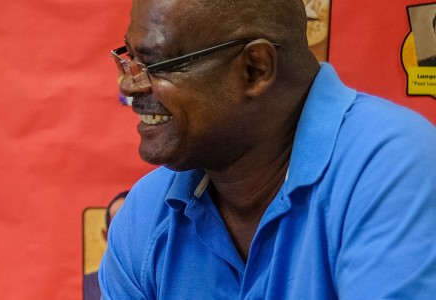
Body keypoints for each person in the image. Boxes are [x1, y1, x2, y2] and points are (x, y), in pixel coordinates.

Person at [100, 0, 436, 298]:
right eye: (130, 59)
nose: (130, 84)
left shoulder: (390, 165)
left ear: (255, 69)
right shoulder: (146, 213)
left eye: (155, 63)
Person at [82, 191, 126, 300]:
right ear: (106, 236)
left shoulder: (165, 280)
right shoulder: (88, 285)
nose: (128, 235)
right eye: (119, 228)